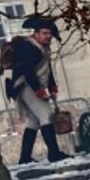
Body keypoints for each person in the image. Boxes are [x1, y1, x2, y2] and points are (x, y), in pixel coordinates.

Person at [9, 17, 68, 163]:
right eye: (44, 33)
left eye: (49, 34)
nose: (48, 36)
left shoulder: (43, 48)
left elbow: (47, 70)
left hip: (32, 85)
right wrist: (38, 91)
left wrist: (52, 87)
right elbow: (27, 71)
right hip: (24, 85)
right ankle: (54, 154)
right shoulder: (27, 47)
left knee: (34, 122)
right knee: (47, 115)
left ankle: (24, 158)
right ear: (36, 34)